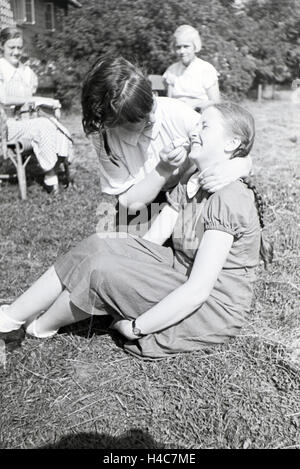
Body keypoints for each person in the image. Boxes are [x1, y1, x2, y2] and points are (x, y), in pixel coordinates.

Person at [0, 102, 273, 359]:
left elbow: (199, 289)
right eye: (197, 124)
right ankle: (11, 318)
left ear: (232, 143)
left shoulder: (229, 197)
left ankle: (40, 327)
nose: (194, 131)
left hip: (213, 304)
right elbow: (152, 243)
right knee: (101, 245)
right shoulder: (191, 179)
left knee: (104, 269)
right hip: (179, 271)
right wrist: (121, 258)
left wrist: (137, 327)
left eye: (205, 126)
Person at [82, 56, 248, 219]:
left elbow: (230, 143)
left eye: (152, 106)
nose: (153, 119)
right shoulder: (105, 139)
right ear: (113, 123)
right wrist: (163, 169)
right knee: (127, 241)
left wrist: (238, 165)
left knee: (194, 234)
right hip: (145, 202)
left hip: (191, 189)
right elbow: (129, 203)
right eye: (141, 119)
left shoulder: (174, 111)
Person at [0, 27, 73, 193]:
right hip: (6, 126)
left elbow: (30, 104)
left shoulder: (27, 72)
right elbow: (4, 99)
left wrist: (50, 104)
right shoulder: (1, 69)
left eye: (19, 47)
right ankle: (50, 176)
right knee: (43, 126)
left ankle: (58, 170)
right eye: (11, 47)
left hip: (26, 122)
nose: (16, 52)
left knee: (55, 125)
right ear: (2, 46)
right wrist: (37, 99)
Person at [163, 25, 220, 112]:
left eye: (186, 46)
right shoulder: (172, 70)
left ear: (195, 47)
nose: (182, 51)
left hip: (199, 114)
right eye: (178, 47)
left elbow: (215, 102)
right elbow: (169, 100)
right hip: (176, 114)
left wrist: (196, 106)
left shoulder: (206, 69)